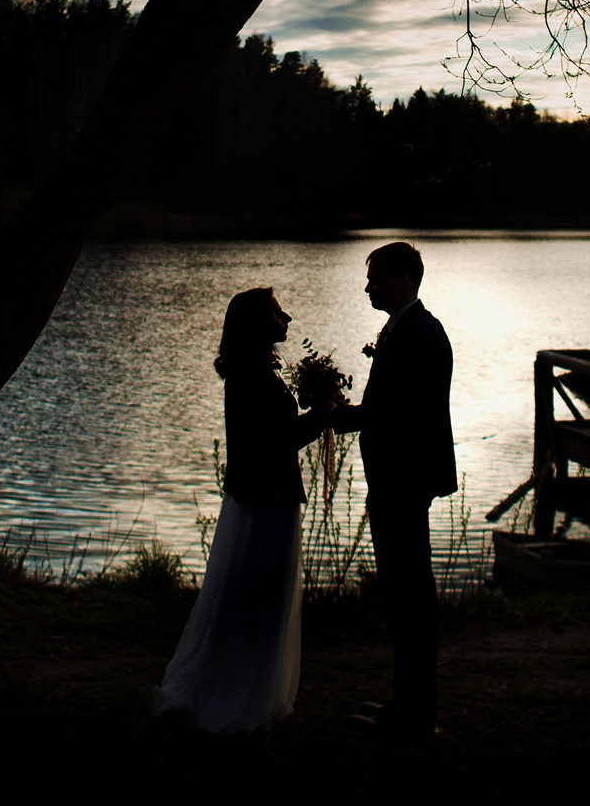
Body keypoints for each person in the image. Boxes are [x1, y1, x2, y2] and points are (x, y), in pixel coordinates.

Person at [154, 286, 330, 734]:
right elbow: (277, 441)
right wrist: (324, 414)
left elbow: (275, 434)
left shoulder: (250, 371)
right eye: (276, 312)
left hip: (261, 495)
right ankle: (238, 696)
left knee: (254, 598)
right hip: (265, 500)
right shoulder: (252, 376)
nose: (286, 317)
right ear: (255, 322)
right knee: (259, 599)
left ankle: (243, 687)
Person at [330, 241, 456, 736]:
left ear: (404, 279)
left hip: (402, 482)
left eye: (377, 277)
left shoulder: (417, 334)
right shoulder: (411, 329)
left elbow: (399, 415)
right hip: (403, 481)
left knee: (408, 596)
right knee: (407, 593)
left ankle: (413, 711)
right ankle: (410, 703)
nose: (368, 286)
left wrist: (339, 416)